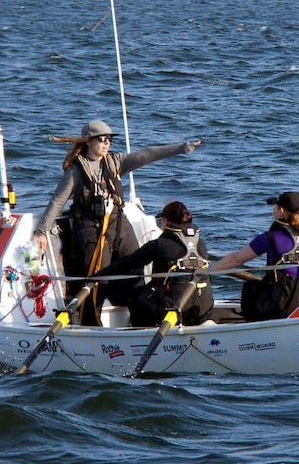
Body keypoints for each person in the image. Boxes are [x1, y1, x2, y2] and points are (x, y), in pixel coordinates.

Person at [33, 119, 200, 322]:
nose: (106, 143)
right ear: (88, 141)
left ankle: (139, 318)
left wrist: (182, 148)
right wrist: (42, 230)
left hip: (118, 223)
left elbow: (146, 155)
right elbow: (57, 201)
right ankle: (90, 326)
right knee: (97, 280)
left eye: (109, 139)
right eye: (101, 139)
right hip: (92, 230)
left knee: (136, 269)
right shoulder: (76, 172)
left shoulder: (115, 162)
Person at [210, 191, 299, 321]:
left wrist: (207, 270)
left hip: (288, 302)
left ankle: (255, 329)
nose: (272, 212)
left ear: (281, 211)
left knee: (250, 287)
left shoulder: (269, 238)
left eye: (274, 207)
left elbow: (235, 259)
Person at [95, 201, 214, 327]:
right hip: (203, 311)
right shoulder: (201, 243)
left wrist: (98, 275)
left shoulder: (160, 244)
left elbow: (128, 262)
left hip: (174, 312)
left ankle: (141, 335)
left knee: (136, 297)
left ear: (165, 221)